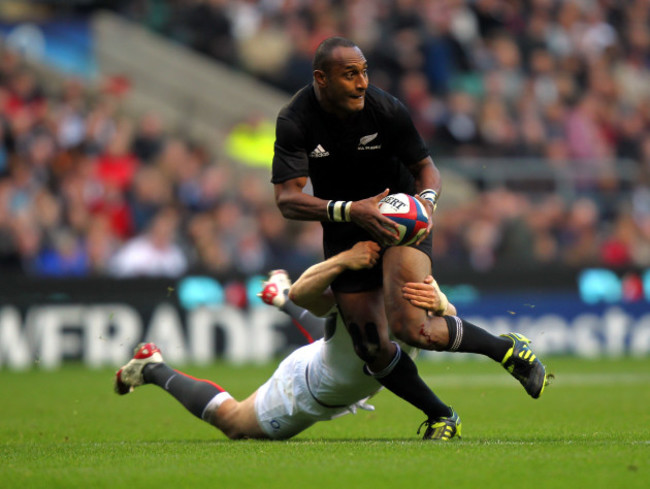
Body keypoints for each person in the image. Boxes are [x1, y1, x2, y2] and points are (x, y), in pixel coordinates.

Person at [271, 36, 548, 433]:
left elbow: (426, 168)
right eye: (350, 75)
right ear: (321, 78)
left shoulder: (385, 109)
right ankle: (440, 414)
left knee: (414, 328)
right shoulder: (295, 120)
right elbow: (287, 199)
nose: (362, 83)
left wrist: (429, 204)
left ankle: (508, 351)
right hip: (347, 230)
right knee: (371, 347)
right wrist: (351, 210)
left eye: (364, 72)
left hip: (402, 221)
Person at [114, 241, 459, 440]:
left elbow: (448, 323)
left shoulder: (411, 276)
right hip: (306, 389)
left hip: (337, 366)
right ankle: (153, 369)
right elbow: (312, 294)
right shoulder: (359, 281)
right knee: (234, 423)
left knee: (346, 341)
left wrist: (442, 304)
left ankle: (279, 297)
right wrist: (342, 260)